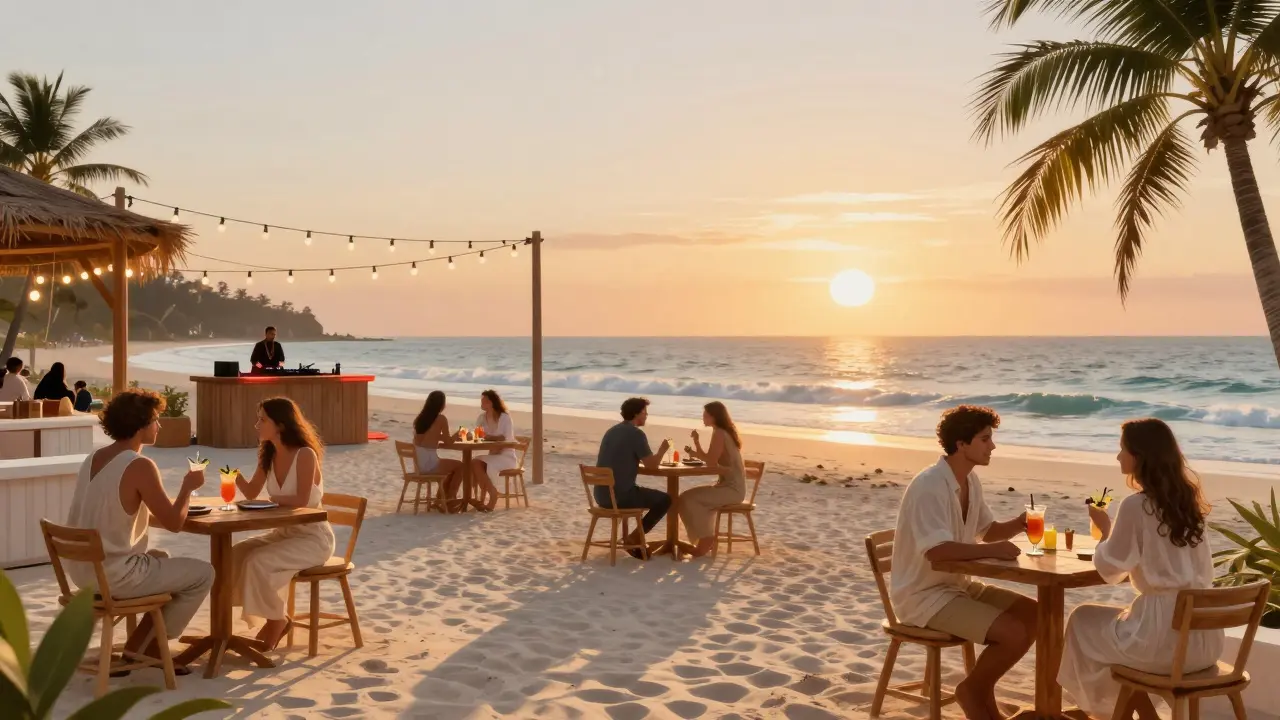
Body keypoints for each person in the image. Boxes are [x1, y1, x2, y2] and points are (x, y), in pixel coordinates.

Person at [1059, 419, 1222, 720]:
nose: (1118, 456)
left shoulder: (1136, 505)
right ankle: (1146, 717)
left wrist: (1104, 529)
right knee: (1107, 633)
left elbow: (1111, 568)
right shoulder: (1190, 505)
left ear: (1140, 456)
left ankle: (1109, 713)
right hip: (1203, 643)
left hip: (1163, 641)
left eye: (1122, 449)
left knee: (1082, 620)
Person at [890, 405, 1037, 720]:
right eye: (985, 439)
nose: (992, 446)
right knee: (1013, 633)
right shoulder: (929, 486)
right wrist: (995, 550)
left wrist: (1020, 523)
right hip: (923, 596)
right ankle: (971, 691)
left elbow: (988, 531)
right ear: (961, 444)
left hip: (958, 586)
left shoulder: (970, 481)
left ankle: (981, 692)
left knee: (1037, 614)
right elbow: (937, 552)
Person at [64, 389, 214, 673]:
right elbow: (174, 523)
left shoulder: (94, 457)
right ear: (141, 424)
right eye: (155, 419)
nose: (159, 426)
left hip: (83, 571)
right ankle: (154, 648)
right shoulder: (139, 465)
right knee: (203, 574)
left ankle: (137, 645)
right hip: (113, 576)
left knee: (161, 557)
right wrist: (187, 488)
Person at [230, 397, 335, 650]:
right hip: (284, 533)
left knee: (258, 560)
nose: (257, 425)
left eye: (262, 420)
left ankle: (277, 619)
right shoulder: (268, 455)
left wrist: (271, 500)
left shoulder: (305, 454)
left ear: (281, 424)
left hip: (312, 539)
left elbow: (301, 500)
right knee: (235, 554)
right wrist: (234, 475)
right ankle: (226, 627)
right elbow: (252, 492)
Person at [595, 397, 671, 559]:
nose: (646, 415)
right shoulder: (636, 434)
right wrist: (662, 450)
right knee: (665, 500)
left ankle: (634, 538)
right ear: (637, 413)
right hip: (620, 497)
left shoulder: (612, 431)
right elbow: (652, 465)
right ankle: (634, 538)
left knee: (646, 494)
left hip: (601, 495)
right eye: (645, 412)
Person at [678, 401, 747, 558]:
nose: (703, 417)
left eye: (705, 415)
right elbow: (710, 459)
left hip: (732, 490)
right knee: (685, 498)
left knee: (687, 499)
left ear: (714, 416)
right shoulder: (720, 432)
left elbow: (710, 463)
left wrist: (701, 453)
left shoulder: (720, 433)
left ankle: (706, 539)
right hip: (726, 486)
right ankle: (705, 539)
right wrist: (696, 442)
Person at [413, 390, 465, 510]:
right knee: (460, 466)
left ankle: (439, 499)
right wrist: (458, 433)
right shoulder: (441, 419)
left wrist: (440, 437)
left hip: (419, 464)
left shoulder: (420, 419)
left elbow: (426, 437)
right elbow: (448, 442)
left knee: (450, 468)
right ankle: (451, 498)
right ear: (441, 404)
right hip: (430, 463)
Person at [470, 389, 518, 512]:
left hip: (506, 456)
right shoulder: (482, 417)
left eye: (484, 401)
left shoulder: (504, 417)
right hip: (493, 454)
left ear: (491, 402)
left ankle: (492, 496)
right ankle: (487, 495)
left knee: (475, 462)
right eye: (481, 400)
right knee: (473, 463)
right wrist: (470, 435)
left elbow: (505, 438)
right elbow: (478, 434)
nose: (481, 403)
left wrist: (489, 437)